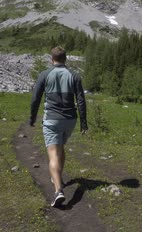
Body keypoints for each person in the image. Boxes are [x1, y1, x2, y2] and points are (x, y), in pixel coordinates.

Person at [30, 46, 88, 207]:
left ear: (51, 59)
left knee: (53, 153)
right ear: (66, 59)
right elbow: (81, 100)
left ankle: (58, 191)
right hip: (70, 120)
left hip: (52, 120)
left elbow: (35, 98)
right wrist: (84, 123)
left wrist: (32, 117)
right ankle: (58, 177)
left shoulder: (45, 74)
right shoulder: (74, 75)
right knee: (60, 147)